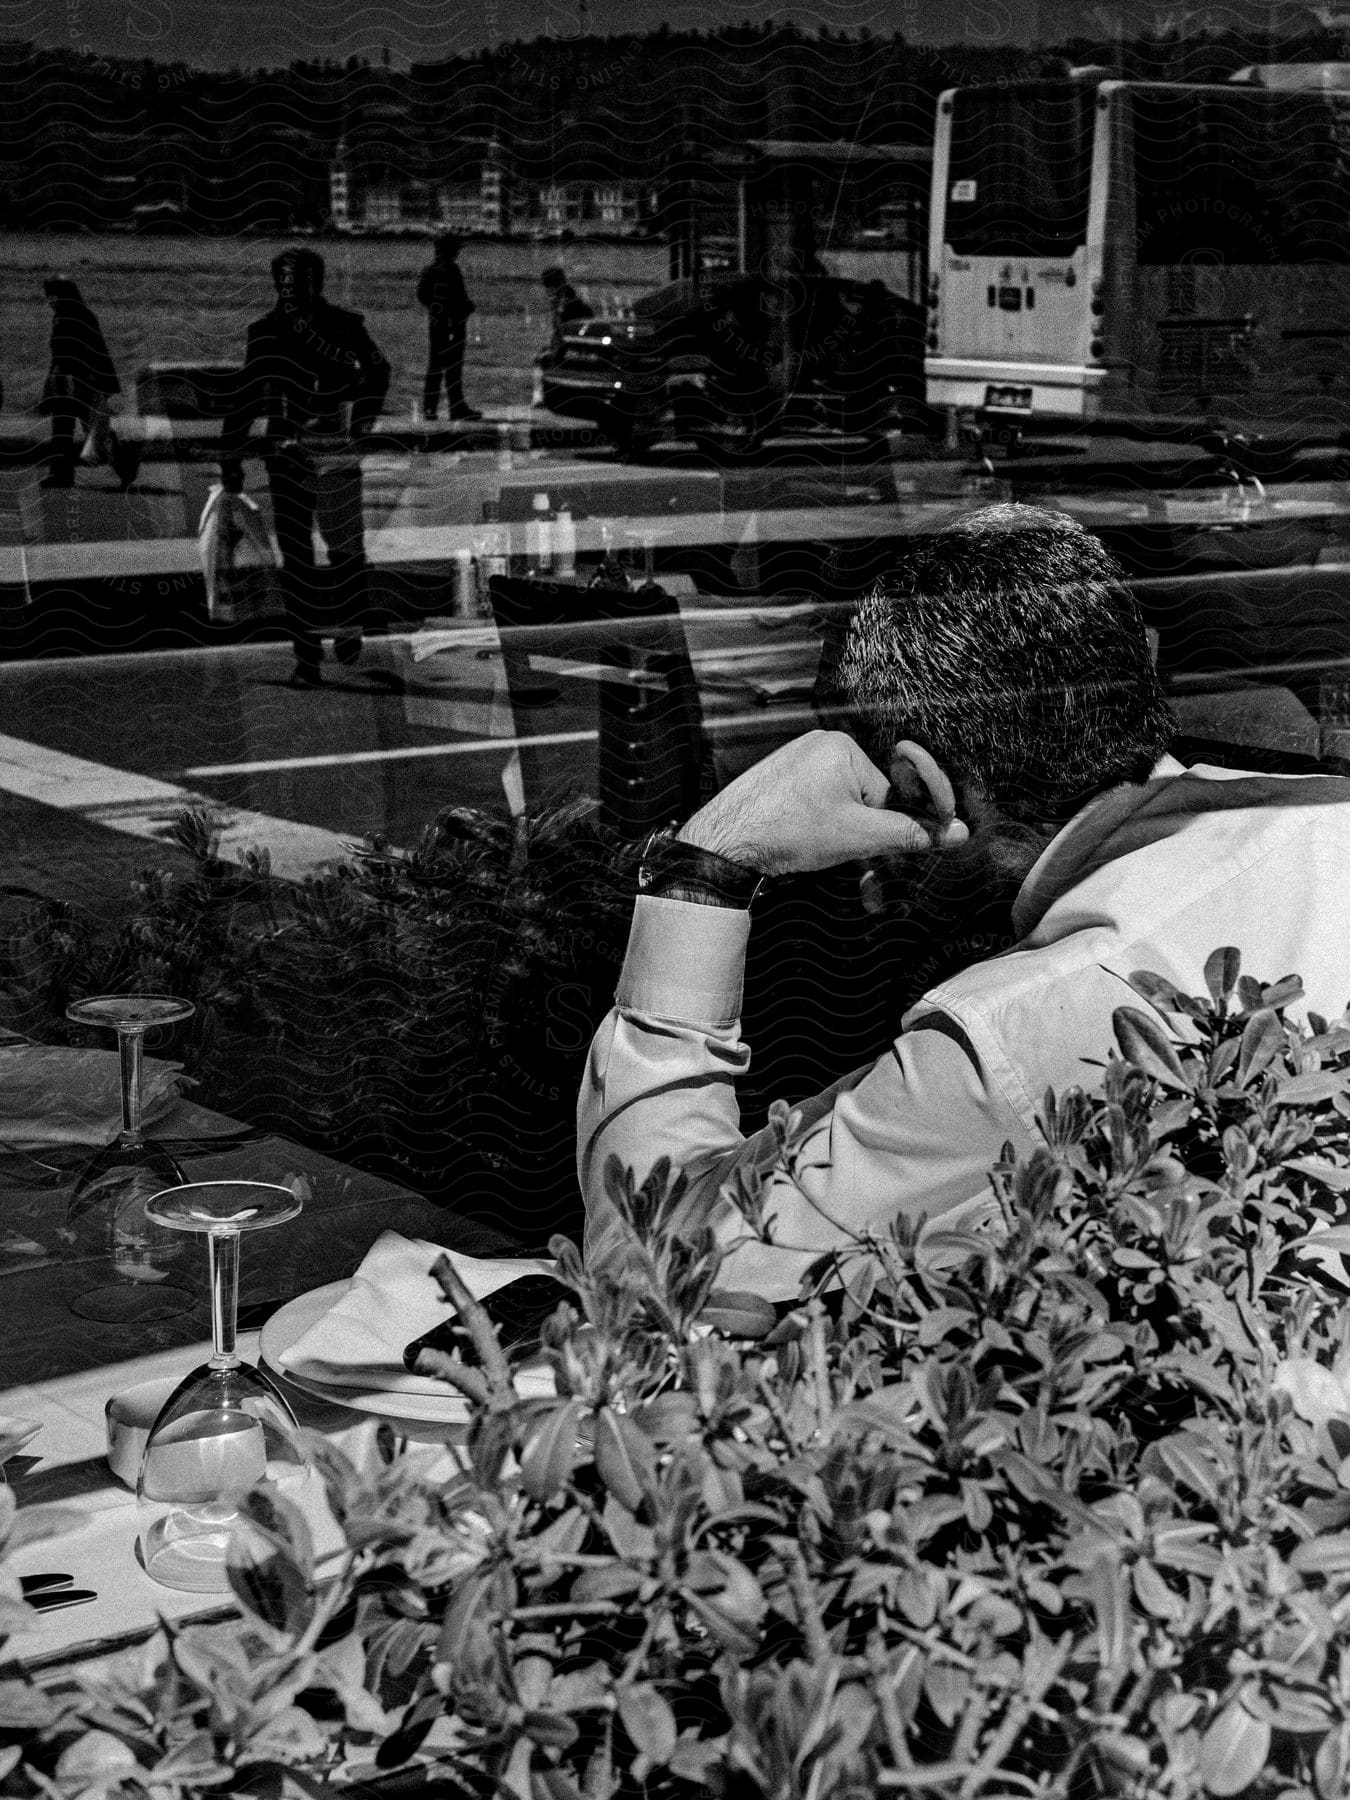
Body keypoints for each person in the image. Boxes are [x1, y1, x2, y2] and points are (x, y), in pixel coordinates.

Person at [578, 503, 1350, 1297]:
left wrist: (708, 868)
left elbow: (651, 1262)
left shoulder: (1015, 1038)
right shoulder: (1326, 823)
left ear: (917, 786)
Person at [220, 248, 389, 687]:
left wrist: (230, 455)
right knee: (346, 548)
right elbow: (378, 372)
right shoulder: (345, 325)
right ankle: (347, 633)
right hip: (333, 447)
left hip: (288, 454)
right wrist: (362, 425)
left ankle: (308, 660)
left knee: (299, 560)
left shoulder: (267, 330)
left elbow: (248, 394)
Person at [38, 278, 121, 490]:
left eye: (53, 296)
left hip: (80, 383)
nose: (50, 301)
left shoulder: (74, 318)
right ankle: (62, 474)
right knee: (68, 429)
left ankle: (122, 464)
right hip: (69, 382)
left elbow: (82, 353)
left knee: (88, 428)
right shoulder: (71, 316)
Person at [416, 234, 481, 422]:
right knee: (454, 369)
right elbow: (460, 299)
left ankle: (429, 408)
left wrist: (435, 308)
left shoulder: (429, 270)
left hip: (436, 324)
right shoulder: (452, 270)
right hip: (454, 325)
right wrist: (468, 308)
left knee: (434, 366)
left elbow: (422, 295)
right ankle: (456, 407)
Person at [539, 266, 593, 368]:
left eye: (549, 289)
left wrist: (553, 354)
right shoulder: (564, 304)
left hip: (573, 356)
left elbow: (567, 337)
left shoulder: (570, 307)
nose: (547, 293)